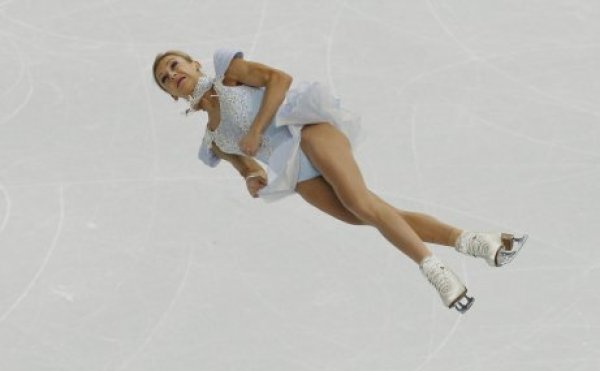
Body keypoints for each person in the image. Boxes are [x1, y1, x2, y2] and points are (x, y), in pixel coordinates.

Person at [152, 48, 527, 313]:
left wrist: (257, 127)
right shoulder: (213, 139)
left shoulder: (228, 72)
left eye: (173, 65)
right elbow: (247, 165)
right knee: (367, 213)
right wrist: (252, 176)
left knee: (362, 203)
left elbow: (279, 80)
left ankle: (437, 272)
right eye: (166, 79)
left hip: (307, 130)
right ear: (171, 95)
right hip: (294, 172)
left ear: (192, 62)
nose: (173, 74)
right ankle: (477, 242)